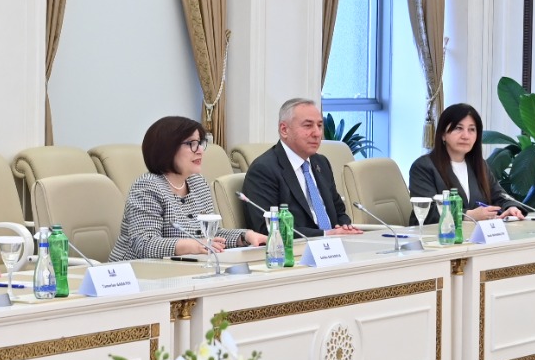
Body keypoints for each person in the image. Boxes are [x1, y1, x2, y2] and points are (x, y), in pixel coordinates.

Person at [112, 116, 270, 262]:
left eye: (200, 143)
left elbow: (211, 235)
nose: (200, 150)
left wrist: (244, 236)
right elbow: (144, 244)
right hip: (135, 273)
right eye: (191, 144)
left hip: (181, 269)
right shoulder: (147, 187)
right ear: (167, 148)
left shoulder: (198, 183)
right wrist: (193, 245)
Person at [241, 97, 361, 238]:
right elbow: (267, 227)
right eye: (308, 126)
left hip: (336, 244)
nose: (317, 133)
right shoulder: (264, 170)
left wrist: (345, 227)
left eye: (319, 125)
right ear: (284, 130)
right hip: (297, 248)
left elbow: (339, 211)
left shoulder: (321, 163)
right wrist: (325, 234)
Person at [408, 104, 525, 223]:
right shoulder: (424, 166)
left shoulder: (479, 165)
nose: (465, 136)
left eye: (471, 129)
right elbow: (426, 211)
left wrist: (511, 207)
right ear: (443, 134)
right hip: (436, 233)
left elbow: (500, 196)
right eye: (458, 128)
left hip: (475, 233)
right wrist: (467, 215)